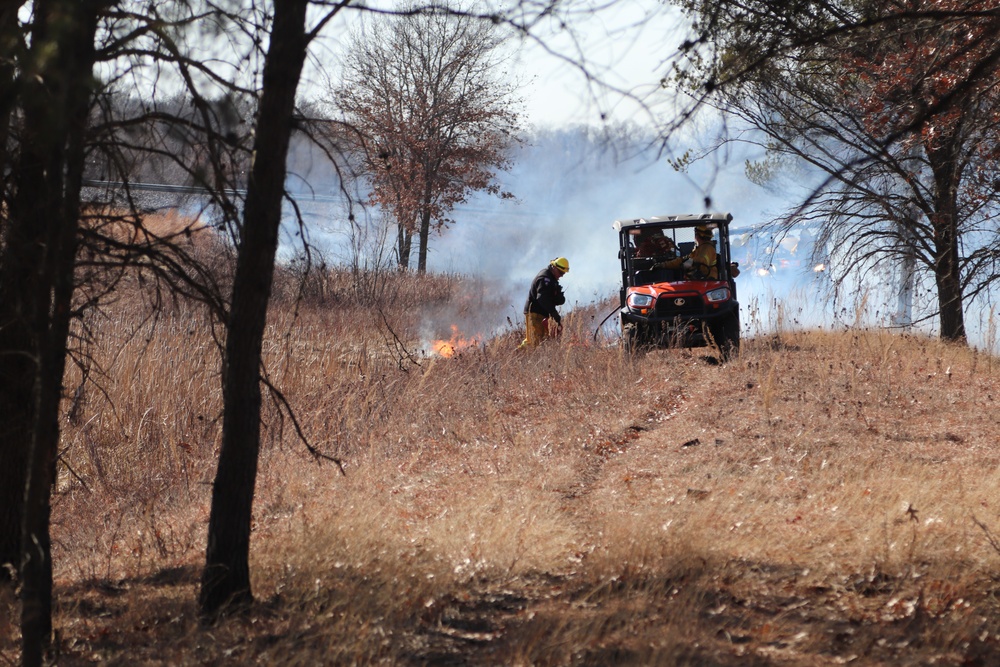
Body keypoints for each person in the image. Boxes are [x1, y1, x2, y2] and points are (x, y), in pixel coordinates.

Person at [519, 257, 569, 348]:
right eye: (561, 272)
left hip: (542, 314)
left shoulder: (552, 279)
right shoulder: (545, 278)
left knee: (540, 340)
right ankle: (519, 354)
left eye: (564, 273)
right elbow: (542, 298)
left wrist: (558, 297)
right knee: (534, 341)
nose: (562, 275)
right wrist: (553, 312)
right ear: (554, 267)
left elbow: (548, 298)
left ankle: (520, 353)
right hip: (535, 313)